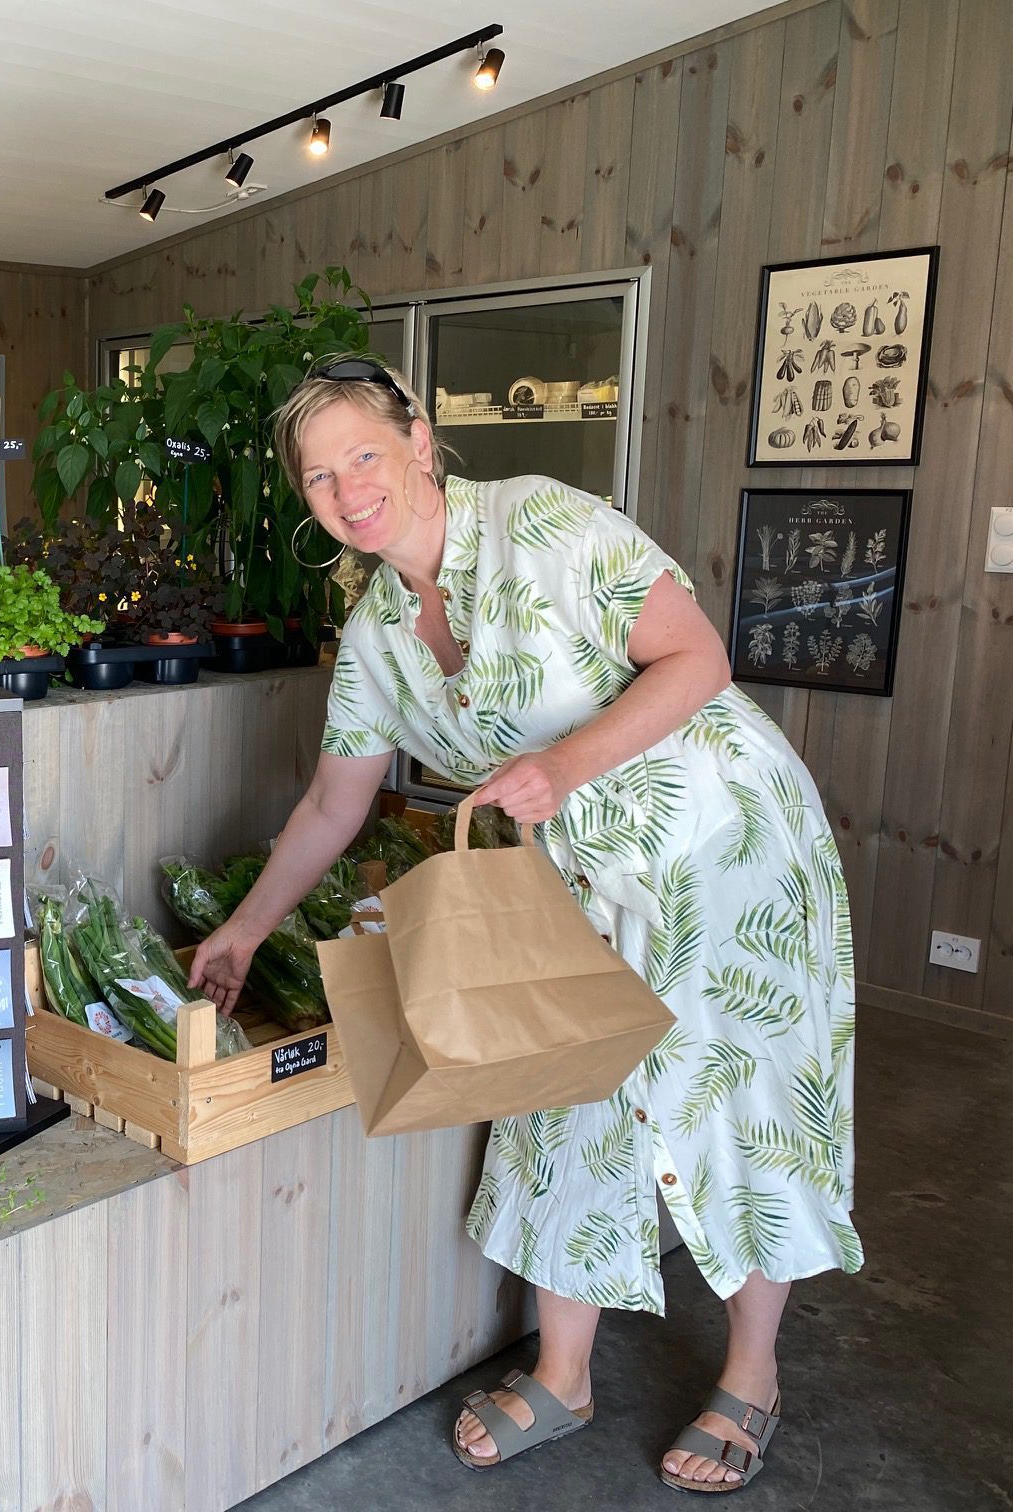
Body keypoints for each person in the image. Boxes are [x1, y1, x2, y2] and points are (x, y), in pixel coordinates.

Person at [189, 357, 861, 1494]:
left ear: (420, 440)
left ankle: (752, 1375)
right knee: (566, 1095)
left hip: (724, 847)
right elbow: (332, 804)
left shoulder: (545, 522)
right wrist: (247, 931)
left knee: (737, 1099)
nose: (350, 489)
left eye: (365, 453)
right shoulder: (377, 639)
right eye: (319, 475)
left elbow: (700, 657)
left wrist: (562, 762)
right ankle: (564, 1373)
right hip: (583, 886)